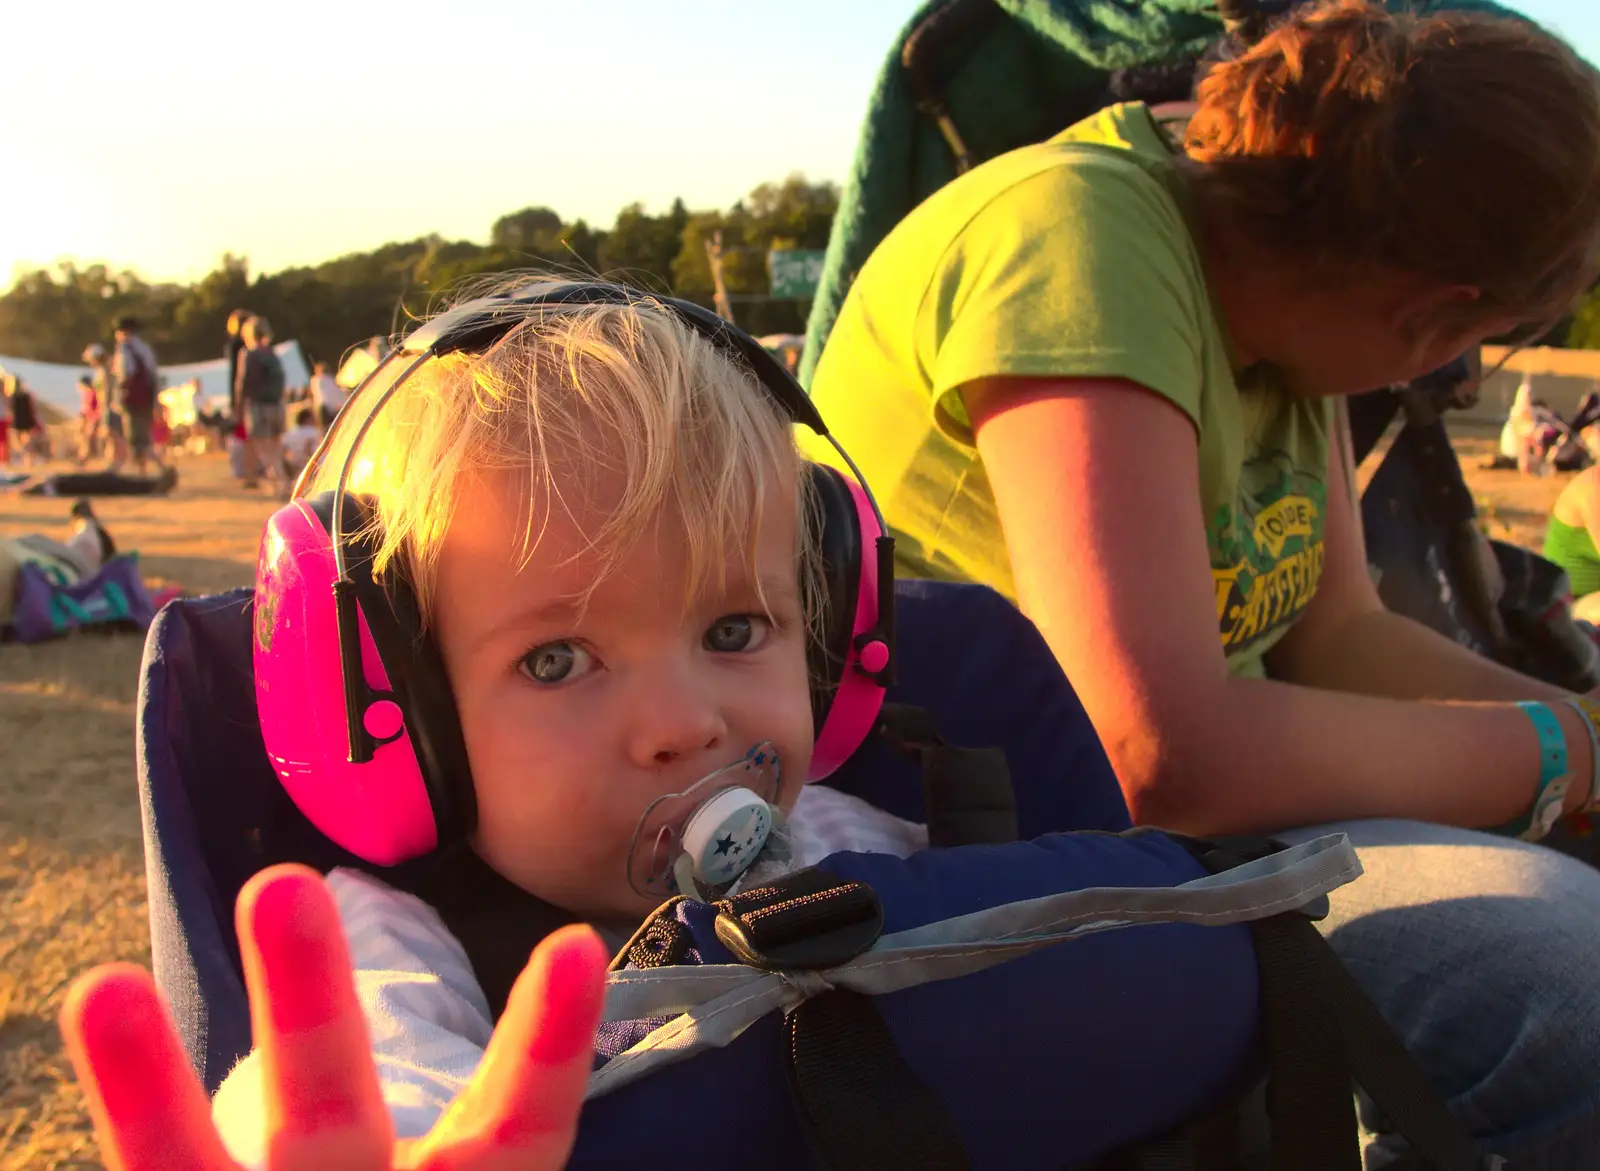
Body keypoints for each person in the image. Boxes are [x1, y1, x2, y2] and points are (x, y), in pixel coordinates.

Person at [800, 0, 1600, 1165]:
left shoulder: (1291, 306)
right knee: (1569, 992)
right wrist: (1559, 757)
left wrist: (1575, 733)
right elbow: (1154, 753)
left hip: (1182, 833)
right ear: (1440, 315)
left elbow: (1341, 637)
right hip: (990, 847)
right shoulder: (1079, 240)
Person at [209, 291, 934, 1163]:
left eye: (734, 631)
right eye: (556, 659)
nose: (684, 725)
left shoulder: (855, 840)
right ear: (417, 714)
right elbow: (363, 1077)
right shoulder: (394, 944)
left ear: (822, 645)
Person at [60, 864, 607, 1171]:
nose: (690, 723)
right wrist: (400, 1126)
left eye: (700, 651)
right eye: (551, 663)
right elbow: (382, 1032)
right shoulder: (381, 922)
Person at [233, 316, 287, 496]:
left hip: (258, 408)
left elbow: (242, 383)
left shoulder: (248, 354)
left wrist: (238, 408)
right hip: (276, 407)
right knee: (275, 450)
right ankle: (282, 484)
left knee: (264, 451)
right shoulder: (272, 354)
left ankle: (280, 484)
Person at [110, 317, 166, 477]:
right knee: (143, 435)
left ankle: (155, 469)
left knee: (135, 439)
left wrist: (118, 398)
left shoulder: (124, 349)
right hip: (145, 399)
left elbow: (123, 375)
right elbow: (153, 376)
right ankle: (144, 471)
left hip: (131, 400)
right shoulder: (144, 348)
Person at [279, 406, 320, 482]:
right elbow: (309, 449)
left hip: (294, 464)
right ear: (308, 419)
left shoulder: (289, 434)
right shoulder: (313, 432)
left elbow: (283, 451)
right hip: (312, 464)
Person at [307, 359, 347, 429]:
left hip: (323, 406)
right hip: (334, 407)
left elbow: (316, 395)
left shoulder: (315, 380)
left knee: (325, 428)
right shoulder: (331, 379)